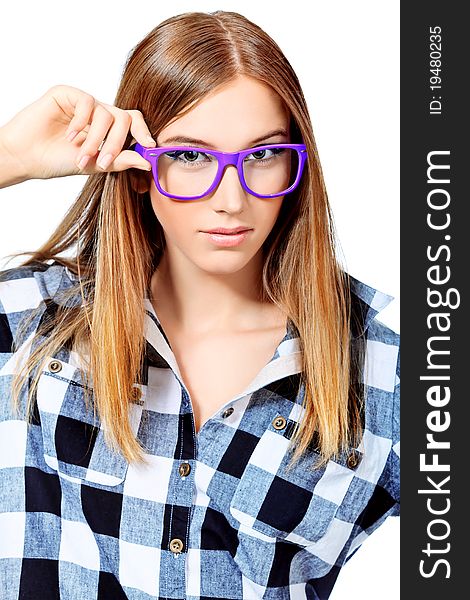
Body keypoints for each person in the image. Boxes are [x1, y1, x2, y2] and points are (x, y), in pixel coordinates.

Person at [0, 10, 399, 600]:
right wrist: (8, 157)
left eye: (263, 155)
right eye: (190, 157)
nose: (231, 199)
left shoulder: (386, 358)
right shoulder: (31, 320)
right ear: (138, 169)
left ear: (297, 161)